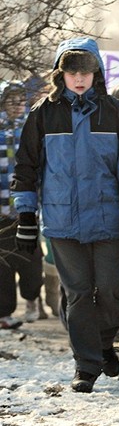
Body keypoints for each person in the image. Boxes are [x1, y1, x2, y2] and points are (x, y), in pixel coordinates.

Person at [11, 37, 119, 392]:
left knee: (111, 289)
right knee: (79, 293)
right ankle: (86, 365)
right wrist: (25, 218)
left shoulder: (114, 112)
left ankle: (104, 343)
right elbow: (26, 167)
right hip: (61, 221)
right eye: (71, 71)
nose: (79, 77)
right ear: (61, 73)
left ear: (95, 73)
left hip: (108, 218)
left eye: (85, 70)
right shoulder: (43, 114)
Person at [0, 81, 43, 328]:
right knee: (3, 264)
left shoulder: (31, 125)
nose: (17, 105)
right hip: (2, 209)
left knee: (30, 259)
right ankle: (4, 312)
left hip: (26, 208)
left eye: (20, 100)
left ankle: (32, 299)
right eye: (11, 100)